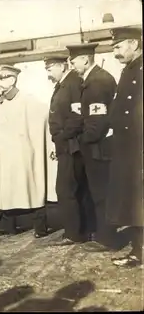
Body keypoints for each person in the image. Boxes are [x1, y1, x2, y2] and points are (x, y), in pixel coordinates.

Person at [0, 65, 50, 238]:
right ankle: (8, 225)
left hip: (25, 153)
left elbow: (43, 118)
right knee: (7, 189)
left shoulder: (27, 100)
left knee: (31, 188)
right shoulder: (0, 103)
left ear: (12, 80)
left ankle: (40, 227)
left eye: (2, 78)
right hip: (6, 155)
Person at [66, 43, 118, 252]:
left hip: (98, 147)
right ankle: (102, 234)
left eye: (74, 61)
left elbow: (97, 121)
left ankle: (107, 239)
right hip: (96, 145)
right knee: (97, 192)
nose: (72, 65)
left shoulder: (97, 81)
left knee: (101, 193)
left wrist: (84, 140)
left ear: (85, 59)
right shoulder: (93, 79)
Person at [105, 27, 143, 267]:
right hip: (128, 148)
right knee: (134, 201)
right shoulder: (128, 70)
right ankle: (139, 252)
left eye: (118, 47)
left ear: (133, 43)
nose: (115, 52)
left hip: (139, 148)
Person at [43, 54, 89, 246]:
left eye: (51, 67)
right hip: (64, 144)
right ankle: (80, 230)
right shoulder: (63, 84)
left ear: (63, 66)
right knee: (71, 188)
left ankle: (74, 233)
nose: (48, 71)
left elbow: (77, 116)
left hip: (71, 145)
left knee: (66, 189)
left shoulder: (72, 84)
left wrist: (61, 137)